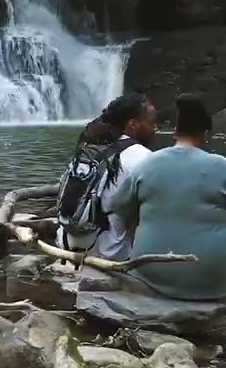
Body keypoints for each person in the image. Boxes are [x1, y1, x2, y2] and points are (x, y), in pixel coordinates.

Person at [107, 94, 226, 310]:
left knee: (136, 217)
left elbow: (120, 207)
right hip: (209, 284)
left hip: (150, 276)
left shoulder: (148, 163)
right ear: (205, 133)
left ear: (174, 132)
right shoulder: (221, 165)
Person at [56, 94, 157, 261]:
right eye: (152, 123)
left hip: (66, 242)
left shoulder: (89, 147)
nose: (155, 129)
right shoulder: (144, 157)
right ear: (133, 124)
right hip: (110, 251)